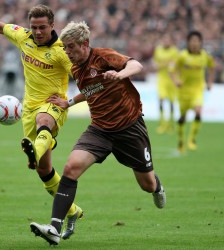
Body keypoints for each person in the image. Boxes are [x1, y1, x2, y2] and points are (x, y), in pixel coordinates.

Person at [29, 21, 166, 246]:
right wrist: (69, 102)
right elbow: (90, 89)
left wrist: (121, 75)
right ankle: (54, 228)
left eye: (71, 47)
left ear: (85, 44)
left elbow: (136, 65)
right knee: (70, 168)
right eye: (65, 47)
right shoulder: (75, 68)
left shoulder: (103, 57)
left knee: (147, 185)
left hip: (129, 128)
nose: (67, 52)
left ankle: (157, 185)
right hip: (100, 130)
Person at [0, 5, 83, 239]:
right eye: (34, 27)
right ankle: (73, 211)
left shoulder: (61, 51)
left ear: (52, 26)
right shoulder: (24, 37)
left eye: (42, 27)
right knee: (44, 171)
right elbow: (0, 26)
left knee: (45, 120)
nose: (38, 32)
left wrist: (71, 101)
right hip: (29, 109)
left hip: (54, 105)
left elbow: (84, 79)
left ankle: (35, 148)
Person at [170, 31, 215, 152]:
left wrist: (210, 82)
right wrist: (176, 81)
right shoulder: (182, 56)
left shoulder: (205, 56)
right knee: (182, 118)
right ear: (188, 43)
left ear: (201, 43)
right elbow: (172, 70)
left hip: (198, 90)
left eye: (197, 41)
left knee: (198, 111)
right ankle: (180, 140)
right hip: (183, 92)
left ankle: (191, 139)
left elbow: (212, 67)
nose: (195, 43)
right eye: (192, 41)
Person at [152, 34, 179, 134]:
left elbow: (174, 65)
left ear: (171, 41)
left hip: (172, 79)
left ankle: (170, 124)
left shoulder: (174, 51)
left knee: (171, 102)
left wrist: (162, 65)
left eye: (168, 40)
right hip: (162, 79)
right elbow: (155, 64)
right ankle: (162, 124)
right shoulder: (158, 50)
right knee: (161, 99)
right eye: (164, 39)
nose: (166, 41)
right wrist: (164, 65)